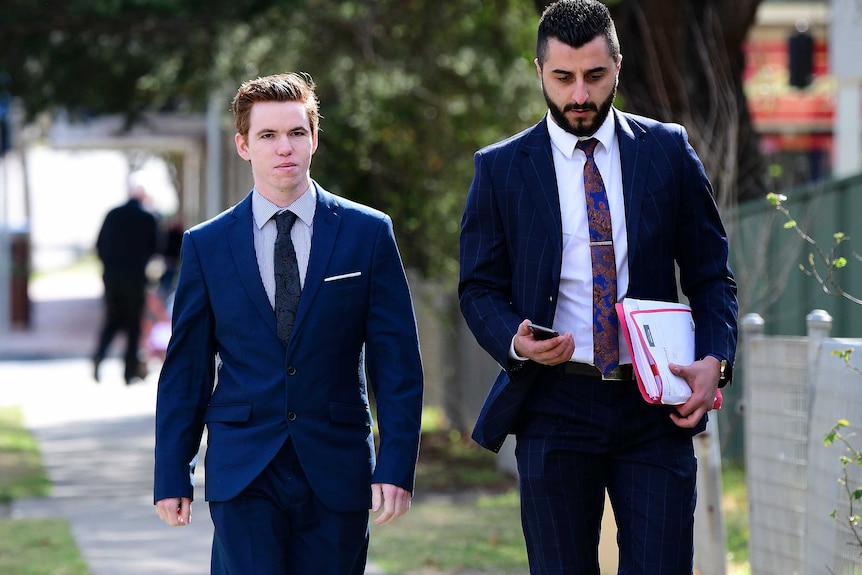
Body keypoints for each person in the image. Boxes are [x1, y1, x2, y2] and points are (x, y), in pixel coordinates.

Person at [458, 1, 738, 573]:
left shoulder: (667, 152)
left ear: (617, 66)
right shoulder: (501, 169)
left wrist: (716, 360)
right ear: (539, 71)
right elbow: (478, 287)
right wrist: (514, 339)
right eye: (563, 78)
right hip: (554, 403)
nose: (580, 95)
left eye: (594, 76)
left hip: (653, 405)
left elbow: (711, 275)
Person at [153, 72, 424, 575]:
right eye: (268, 136)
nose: (285, 148)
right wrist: (173, 470)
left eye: (297, 133)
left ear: (315, 139)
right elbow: (186, 369)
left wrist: (397, 463)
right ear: (243, 145)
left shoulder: (367, 233)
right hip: (243, 469)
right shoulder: (206, 245)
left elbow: (398, 361)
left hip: (336, 466)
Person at [92, 181, 158, 384]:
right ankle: (129, 372)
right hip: (135, 278)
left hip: (111, 277)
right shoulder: (147, 217)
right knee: (132, 324)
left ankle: (98, 357)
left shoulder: (113, 214)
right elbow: (156, 247)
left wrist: (109, 267)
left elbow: (99, 244)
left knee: (112, 320)